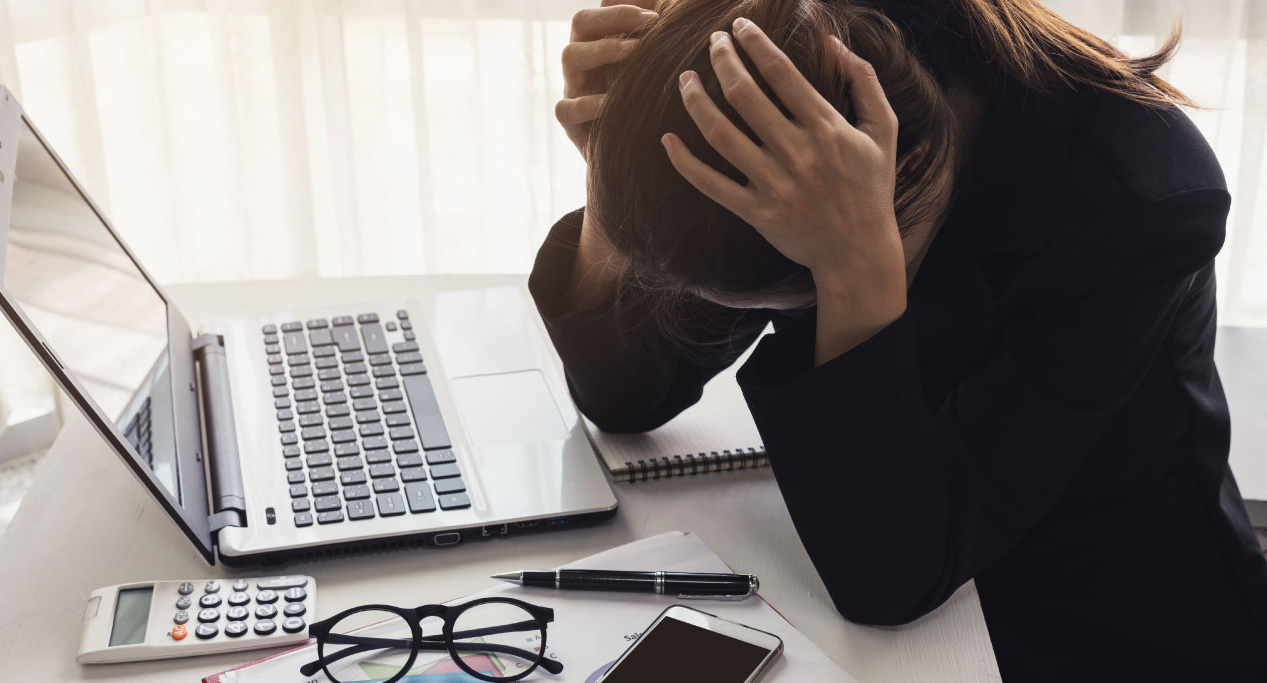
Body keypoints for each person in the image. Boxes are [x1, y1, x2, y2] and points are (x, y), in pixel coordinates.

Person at [537, 0, 1267, 679]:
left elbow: (891, 578)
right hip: (923, 597)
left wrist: (856, 270)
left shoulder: (1142, 201)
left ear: (903, 168)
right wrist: (614, 175)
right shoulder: (812, 63)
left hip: (1119, 619)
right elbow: (627, 396)